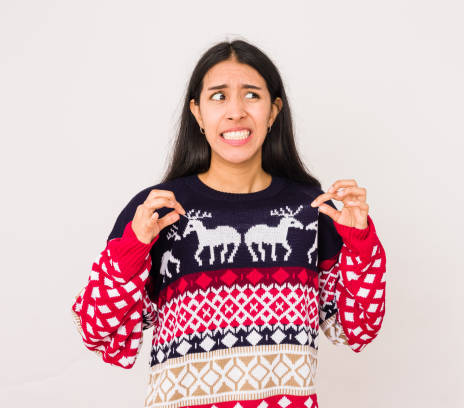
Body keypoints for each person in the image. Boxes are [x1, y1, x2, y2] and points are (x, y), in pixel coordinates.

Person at [70, 39, 387, 408]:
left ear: (273, 111)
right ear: (198, 113)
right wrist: (131, 250)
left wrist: (360, 243)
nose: (235, 112)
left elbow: (357, 330)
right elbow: (98, 332)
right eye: (218, 97)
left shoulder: (314, 210)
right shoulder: (157, 212)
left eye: (251, 95)